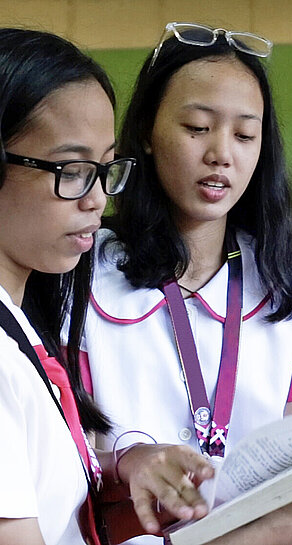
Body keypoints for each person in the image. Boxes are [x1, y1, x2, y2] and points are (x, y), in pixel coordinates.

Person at [81, 22, 292, 544]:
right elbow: (63, 450)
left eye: (244, 134)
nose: (221, 154)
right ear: (146, 131)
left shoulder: (288, 278)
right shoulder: (85, 271)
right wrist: (132, 460)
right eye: (196, 127)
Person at [0, 28, 216, 545]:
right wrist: (270, 530)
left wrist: (127, 462)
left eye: (103, 168)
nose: (97, 199)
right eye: (72, 170)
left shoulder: (24, 322)